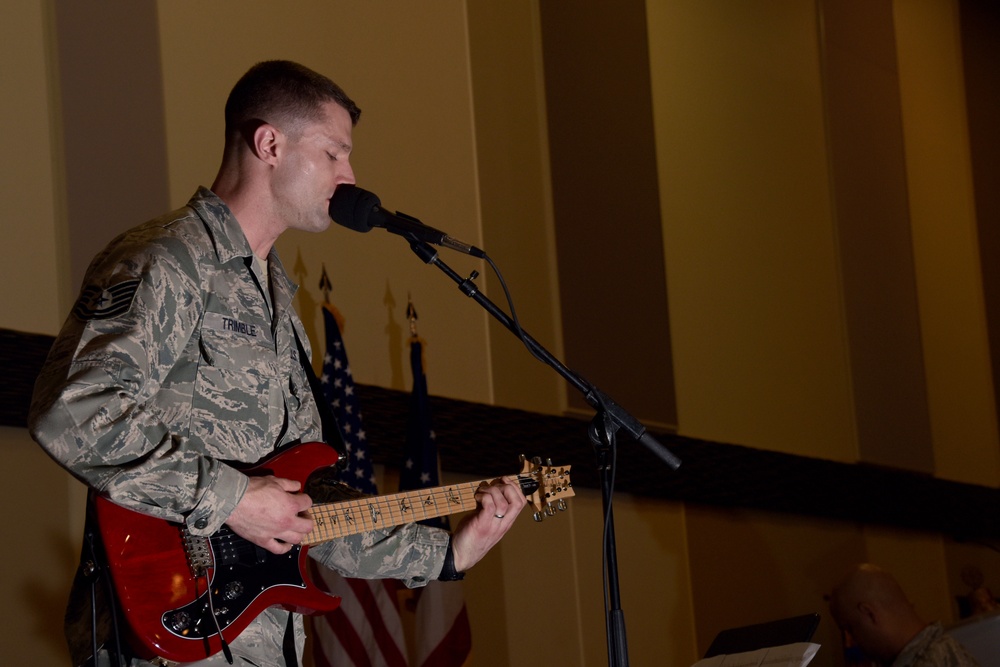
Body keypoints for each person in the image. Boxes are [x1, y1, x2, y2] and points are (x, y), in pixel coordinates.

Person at [29, 60, 527, 667]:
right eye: (335, 153)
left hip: (268, 644)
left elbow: (302, 505)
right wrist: (234, 498)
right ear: (270, 143)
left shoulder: (278, 301)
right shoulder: (168, 260)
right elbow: (74, 414)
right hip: (167, 637)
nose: (350, 176)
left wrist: (447, 555)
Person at [829, 563, 981, 667]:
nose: (852, 642)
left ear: (870, 614)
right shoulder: (943, 649)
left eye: (850, 628)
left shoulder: (930, 661)